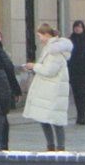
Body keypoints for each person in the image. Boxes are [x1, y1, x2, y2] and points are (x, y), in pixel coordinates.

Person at [23, 22, 72, 151]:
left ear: (46, 35)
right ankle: (53, 146)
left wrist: (34, 66)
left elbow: (49, 70)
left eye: (40, 36)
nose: (39, 39)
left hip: (52, 90)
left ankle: (57, 147)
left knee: (54, 119)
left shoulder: (53, 51)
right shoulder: (53, 48)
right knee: (46, 117)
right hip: (49, 89)